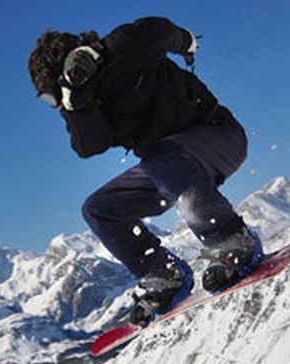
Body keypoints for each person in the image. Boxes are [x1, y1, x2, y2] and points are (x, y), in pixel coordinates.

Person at [28, 16, 263, 326]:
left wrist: (186, 41)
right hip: (170, 169)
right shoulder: (83, 103)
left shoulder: (122, 48)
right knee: (98, 209)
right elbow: (89, 146)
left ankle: (233, 241)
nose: (55, 105)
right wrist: (78, 103)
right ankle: (163, 275)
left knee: (160, 156)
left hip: (219, 136)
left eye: (49, 97)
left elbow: (157, 32)